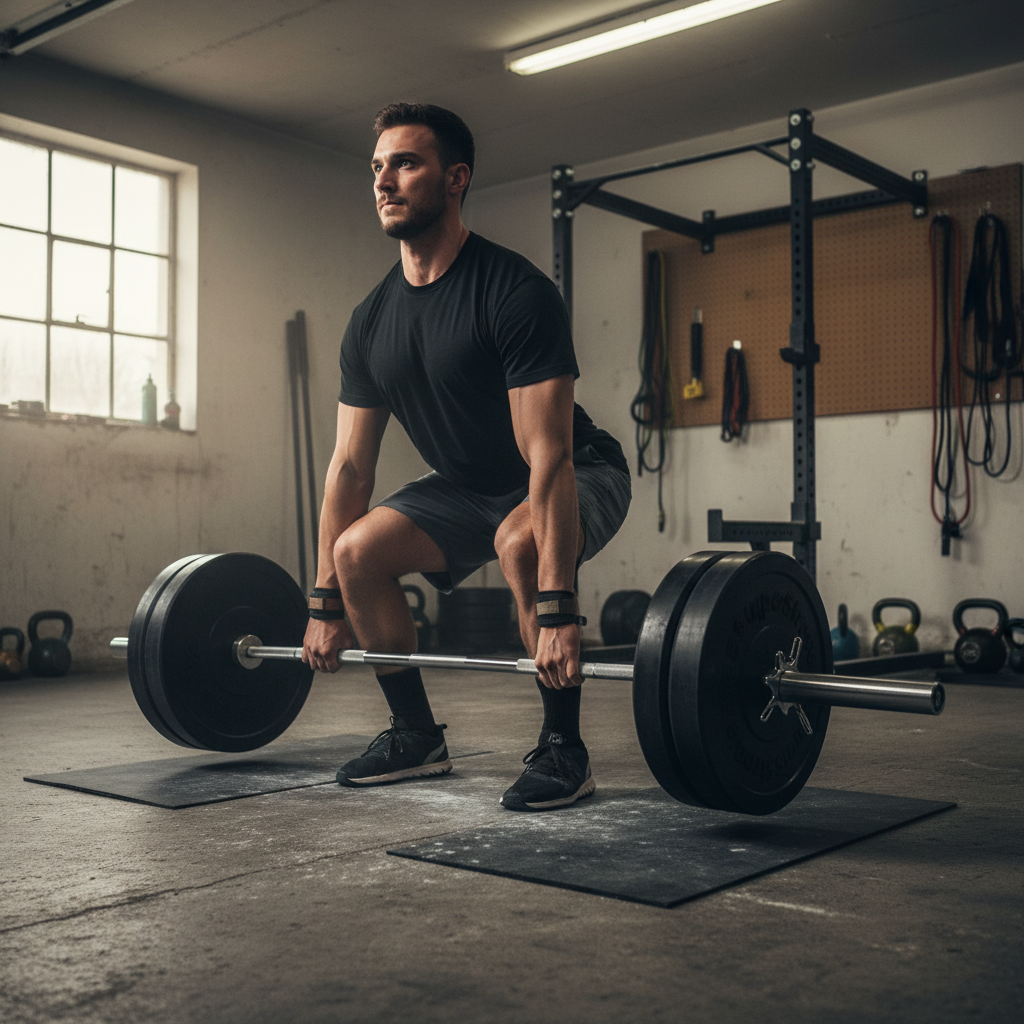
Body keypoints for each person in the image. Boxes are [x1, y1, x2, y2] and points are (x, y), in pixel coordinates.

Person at [302, 102, 631, 811]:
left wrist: (559, 610)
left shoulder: (516, 293)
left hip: (578, 470)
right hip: (464, 485)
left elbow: (549, 457)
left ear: (455, 179)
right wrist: (325, 600)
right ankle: (416, 736)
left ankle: (563, 748)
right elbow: (350, 469)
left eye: (405, 163)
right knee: (356, 553)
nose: (383, 180)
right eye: (378, 167)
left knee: (519, 541)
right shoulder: (371, 323)